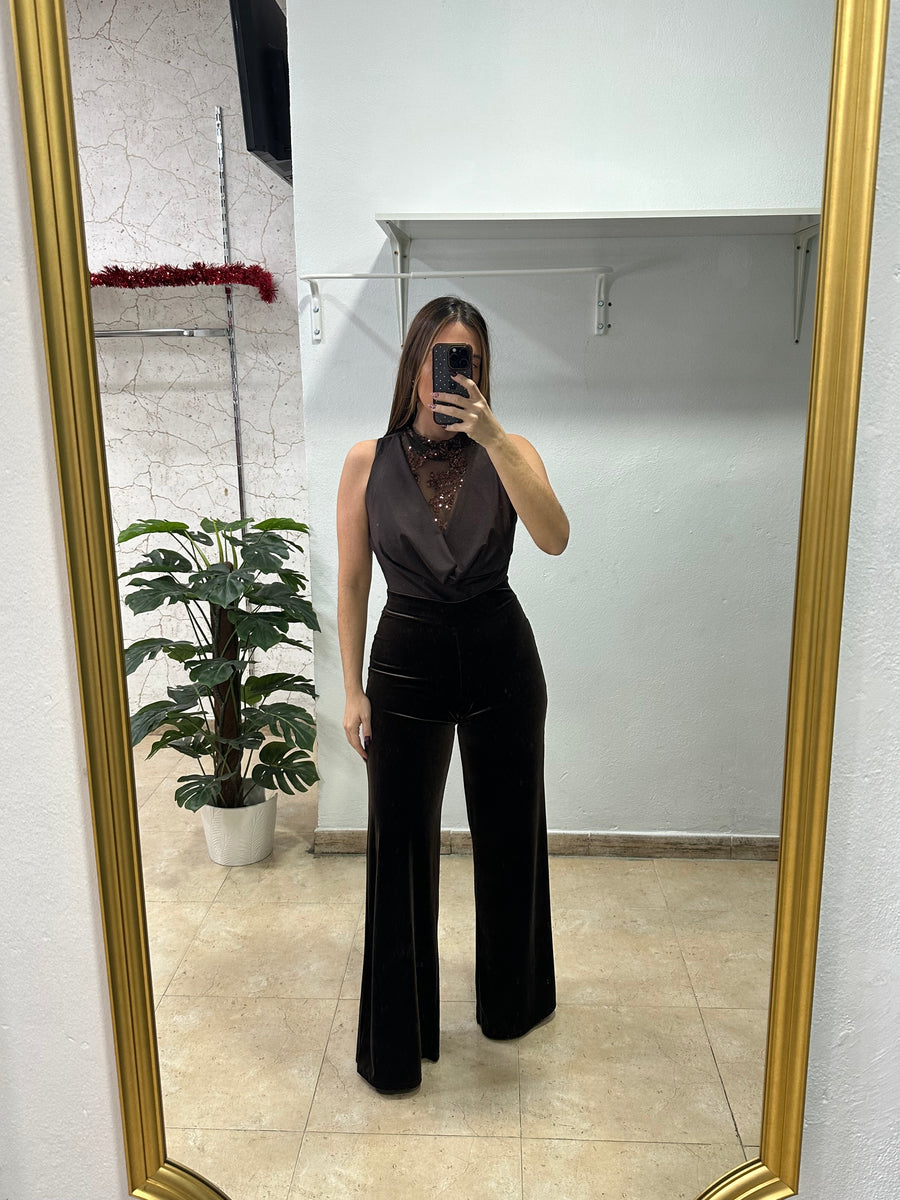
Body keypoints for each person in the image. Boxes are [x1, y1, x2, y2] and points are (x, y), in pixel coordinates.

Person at [336, 296, 569, 1094]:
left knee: (510, 834)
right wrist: (351, 690)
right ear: (414, 365)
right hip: (405, 662)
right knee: (399, 847)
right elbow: (353, 579)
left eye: (468, 360)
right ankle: (396, 1041)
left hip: (503, 657)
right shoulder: (366, 461)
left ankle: (514, 1002)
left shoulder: (512, 450)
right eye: (441, 358)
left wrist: (494, 437)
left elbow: (554, 538)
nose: (452, 375)